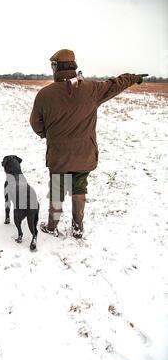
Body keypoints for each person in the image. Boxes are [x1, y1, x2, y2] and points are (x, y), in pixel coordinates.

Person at [30, 49, 144, 239]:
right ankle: (78, 227)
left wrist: (49, 136)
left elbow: (36, 124)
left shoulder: (44, 94)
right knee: (79, 187)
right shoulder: (92, 89)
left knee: (58, 187)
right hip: (84, 154)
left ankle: (52, 225)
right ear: (74, 67)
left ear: (56, 67)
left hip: (59, 155)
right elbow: (115, 84)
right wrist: (134, 77)